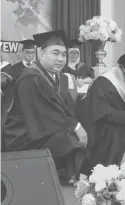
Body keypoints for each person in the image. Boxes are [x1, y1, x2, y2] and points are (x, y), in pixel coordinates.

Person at [1, 30, 88, 182]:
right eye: (55, 53)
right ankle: (63, 180)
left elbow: (62, 109)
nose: (60, 59)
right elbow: (45, 112)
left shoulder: (57, 77)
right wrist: (76, 126)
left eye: (63, 54)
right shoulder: (30, 77)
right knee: (69, 138)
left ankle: (65, 177)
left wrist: (77, 124)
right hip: (22, 137)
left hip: (39, 129)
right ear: (41, 53)